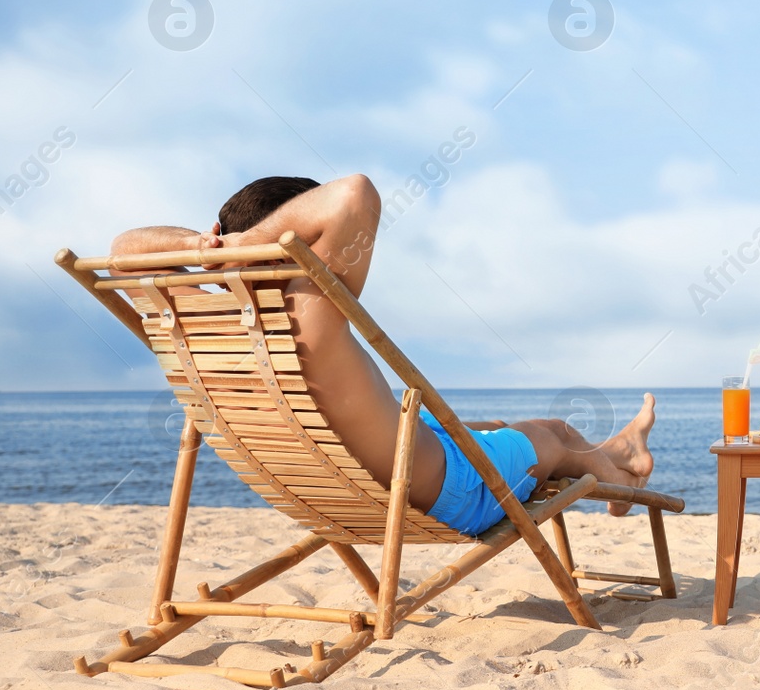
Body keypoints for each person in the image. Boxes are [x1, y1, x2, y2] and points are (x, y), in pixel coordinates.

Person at [110, 173, 657, 533]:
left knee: (492, 427)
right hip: (448, 494)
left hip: (340, 489)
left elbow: (121, 252)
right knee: (554, 434)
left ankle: (621, 452)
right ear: (302, 247)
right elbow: (354, 195)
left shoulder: (201, 324)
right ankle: (620, 478)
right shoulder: (313, 310)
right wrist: (253, 245)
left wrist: (203, 248)